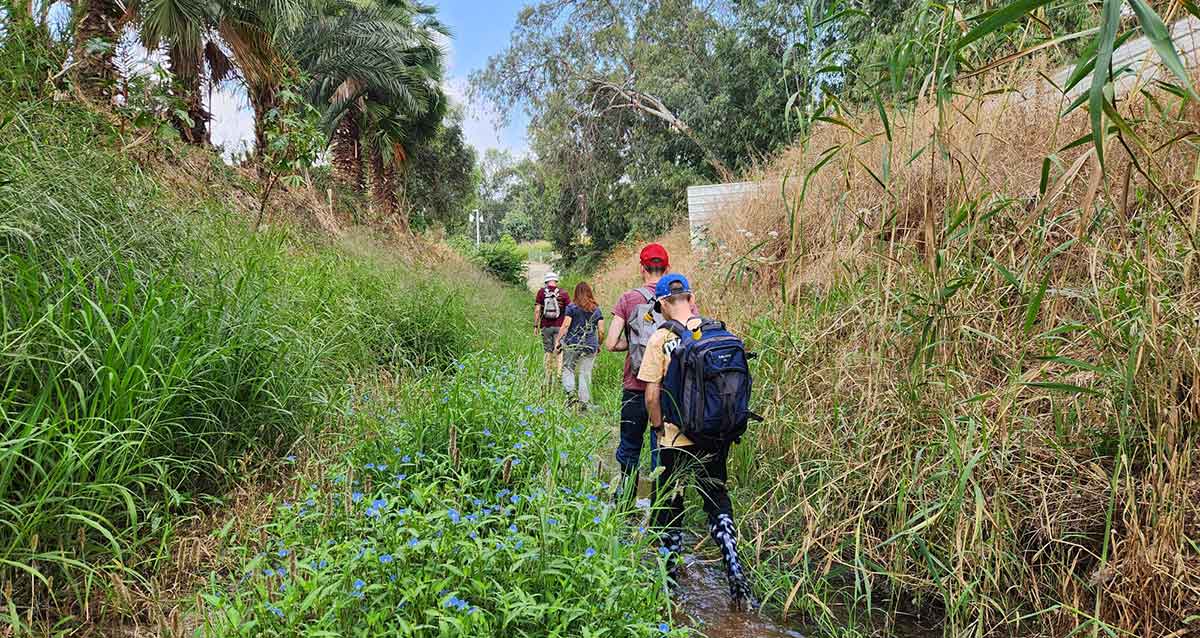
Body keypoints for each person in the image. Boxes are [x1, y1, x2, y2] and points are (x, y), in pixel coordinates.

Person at [637, 273, 755, 609]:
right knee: (716, 499)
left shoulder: (661, 337)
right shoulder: (716, 331)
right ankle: (733, 565)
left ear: (663, 304)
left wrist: (658, 429)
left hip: (676, 439)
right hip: (715, 435)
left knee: (670, 506)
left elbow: (651, 395)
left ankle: (669, 583)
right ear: (691, 298)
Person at [604, 243, 695, 499]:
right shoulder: (679, 298)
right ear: (667, 268)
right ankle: (660, 507)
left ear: (642, 268)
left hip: (635, 387)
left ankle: (625, 501)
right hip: (669, 391)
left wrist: (634, 344)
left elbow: (610, 343)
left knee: (630, 446)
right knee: (662, 449)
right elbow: (692, 338)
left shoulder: (628, 298)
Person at [553, 281, 604, 409]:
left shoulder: (571, 307)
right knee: (585, 373)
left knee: (568, 369)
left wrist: (558, 341)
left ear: (575, 293)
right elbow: (601, 331)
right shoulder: (596, 309)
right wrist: (598, 344)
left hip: (572, 343)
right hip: (590, 345)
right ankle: (584, 403)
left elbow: (566, 325)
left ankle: (571, 397)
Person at [534, 272, 569, 386]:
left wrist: (536, 326)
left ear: (546, 281)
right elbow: (569, 311)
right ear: (556, 281)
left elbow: (537, 310)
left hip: (546, 326)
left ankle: (548, 375)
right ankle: (559, 376)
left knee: (547, 351)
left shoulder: (541, 292)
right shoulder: (563, 293)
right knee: (559, 351)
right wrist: (567, 326)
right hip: (560, 327)